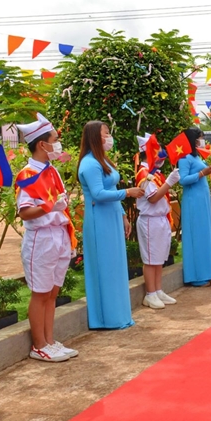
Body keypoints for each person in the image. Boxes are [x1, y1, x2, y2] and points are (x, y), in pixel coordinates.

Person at [16, 113, 78, 361]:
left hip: (58, 235)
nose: (58, 143)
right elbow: (24, 212)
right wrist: (48, 207)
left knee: (52, 292)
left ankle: (50, 341)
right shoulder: (27, 174)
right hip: (40, 239)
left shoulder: (52, 171)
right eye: (55, 139)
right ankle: (39, 345)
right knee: (40, 293)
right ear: (42, 144)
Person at [78, 121, 142, 330]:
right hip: (100, 221)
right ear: (96, 137)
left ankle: (119, 314)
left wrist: (123, 214)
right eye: (106, 133)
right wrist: (127, 193)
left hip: (113, 216)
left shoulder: (102, 160)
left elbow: (111, 186)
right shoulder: (89, 164)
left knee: (115, 267)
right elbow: (97, 194)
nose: (109, 137)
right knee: (105, 267)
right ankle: (106, 318)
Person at [135, 133, 179, 310]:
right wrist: (169, 183)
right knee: (151, 258)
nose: (162, 155)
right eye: (158, 151)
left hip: (160, 219)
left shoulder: (155, 173)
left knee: (160, 257)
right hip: (149, 220)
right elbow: (152, 198)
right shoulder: (144, 173)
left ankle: (158, 289)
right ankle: (150, 293)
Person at [177, 127, 211, 287]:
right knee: (195, 236)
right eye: (200, 138)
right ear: (193, 140)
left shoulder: (196, 156)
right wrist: (202, 174)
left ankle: (207, 272)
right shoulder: (184, 158)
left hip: (201, 200)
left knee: (204, 235)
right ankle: (196, 276)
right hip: (192, 201)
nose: (202, 140)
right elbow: (183, 179)